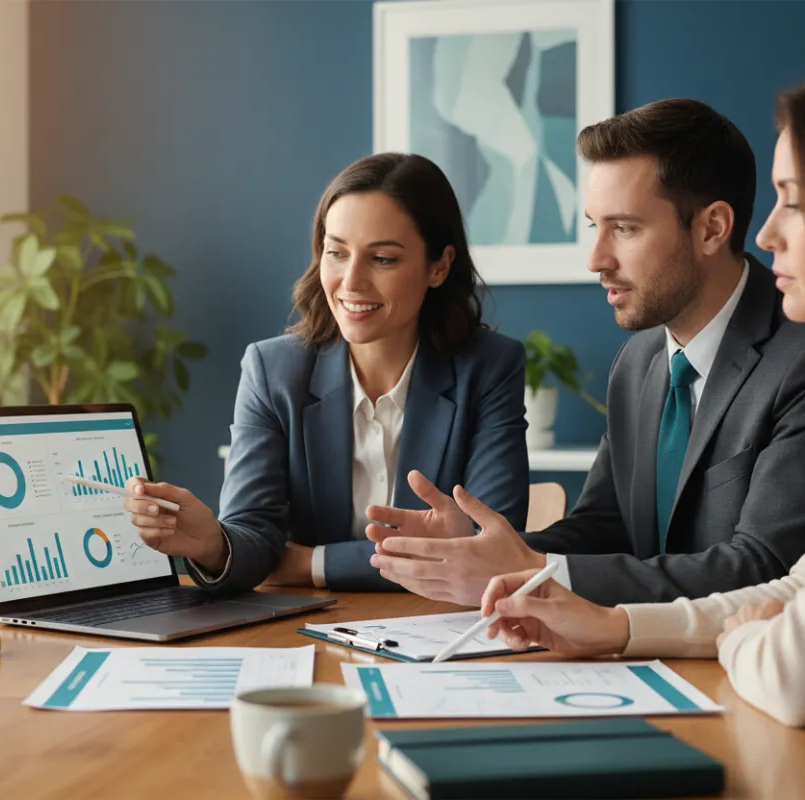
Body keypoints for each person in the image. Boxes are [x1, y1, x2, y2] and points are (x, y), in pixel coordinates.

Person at [478, 57, 805, 798]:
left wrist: (743, 638)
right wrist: (616, 628)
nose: (767, 234)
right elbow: (801, 586)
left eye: (794, 201)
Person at [367, 99, 805, 607]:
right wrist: (487, 553)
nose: (596, 259)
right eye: (593, 226)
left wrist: (534, 569)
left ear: (712, 228)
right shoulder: (639, 361)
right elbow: (605, 527)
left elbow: (765, 567)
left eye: (624, 228)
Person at [123, 153, 529, 592]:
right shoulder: (272, 370)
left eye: (383, 259)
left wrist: (313, 563)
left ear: (439, 266)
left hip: (436, 629)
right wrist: (213, 545)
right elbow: (254, 539)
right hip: (302, 632)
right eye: (336, 253)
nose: (350, 282)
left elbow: (492, 547)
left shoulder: (490, 368)